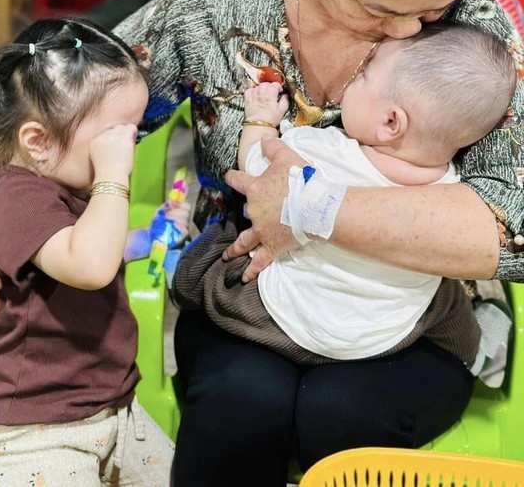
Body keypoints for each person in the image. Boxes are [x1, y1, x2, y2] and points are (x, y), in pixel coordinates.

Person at [0, 0, 524, 487]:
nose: (409, 33)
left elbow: (512, 225)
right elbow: (84, 97)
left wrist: (313, 208)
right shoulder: (221, 2)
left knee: (342, 423)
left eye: (431, 12)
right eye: (380, 9)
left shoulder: (476, 35)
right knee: (240, 411)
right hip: (248, 300)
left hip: (399, 315)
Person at [171, 23, 517, 376]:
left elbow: (258, 172)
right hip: (383, 339)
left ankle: (181, 278)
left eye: (365, 75)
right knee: (443, 294)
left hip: (282, 322)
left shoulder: (321, 152)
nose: (354, 78)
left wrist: (260, 119)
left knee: (230, 237)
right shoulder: (450, 190)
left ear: (390, 121)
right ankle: (475, 353)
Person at [0, 17, 177, 487]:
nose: (127, 149)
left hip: (110, 407)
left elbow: (91, 245)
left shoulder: (66, 176)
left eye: (133, 134)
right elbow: (88, 264)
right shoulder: (19, 202)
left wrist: (145, 239)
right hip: (31, 431)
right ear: (37, 141)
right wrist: (113, 178)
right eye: (114, 136)